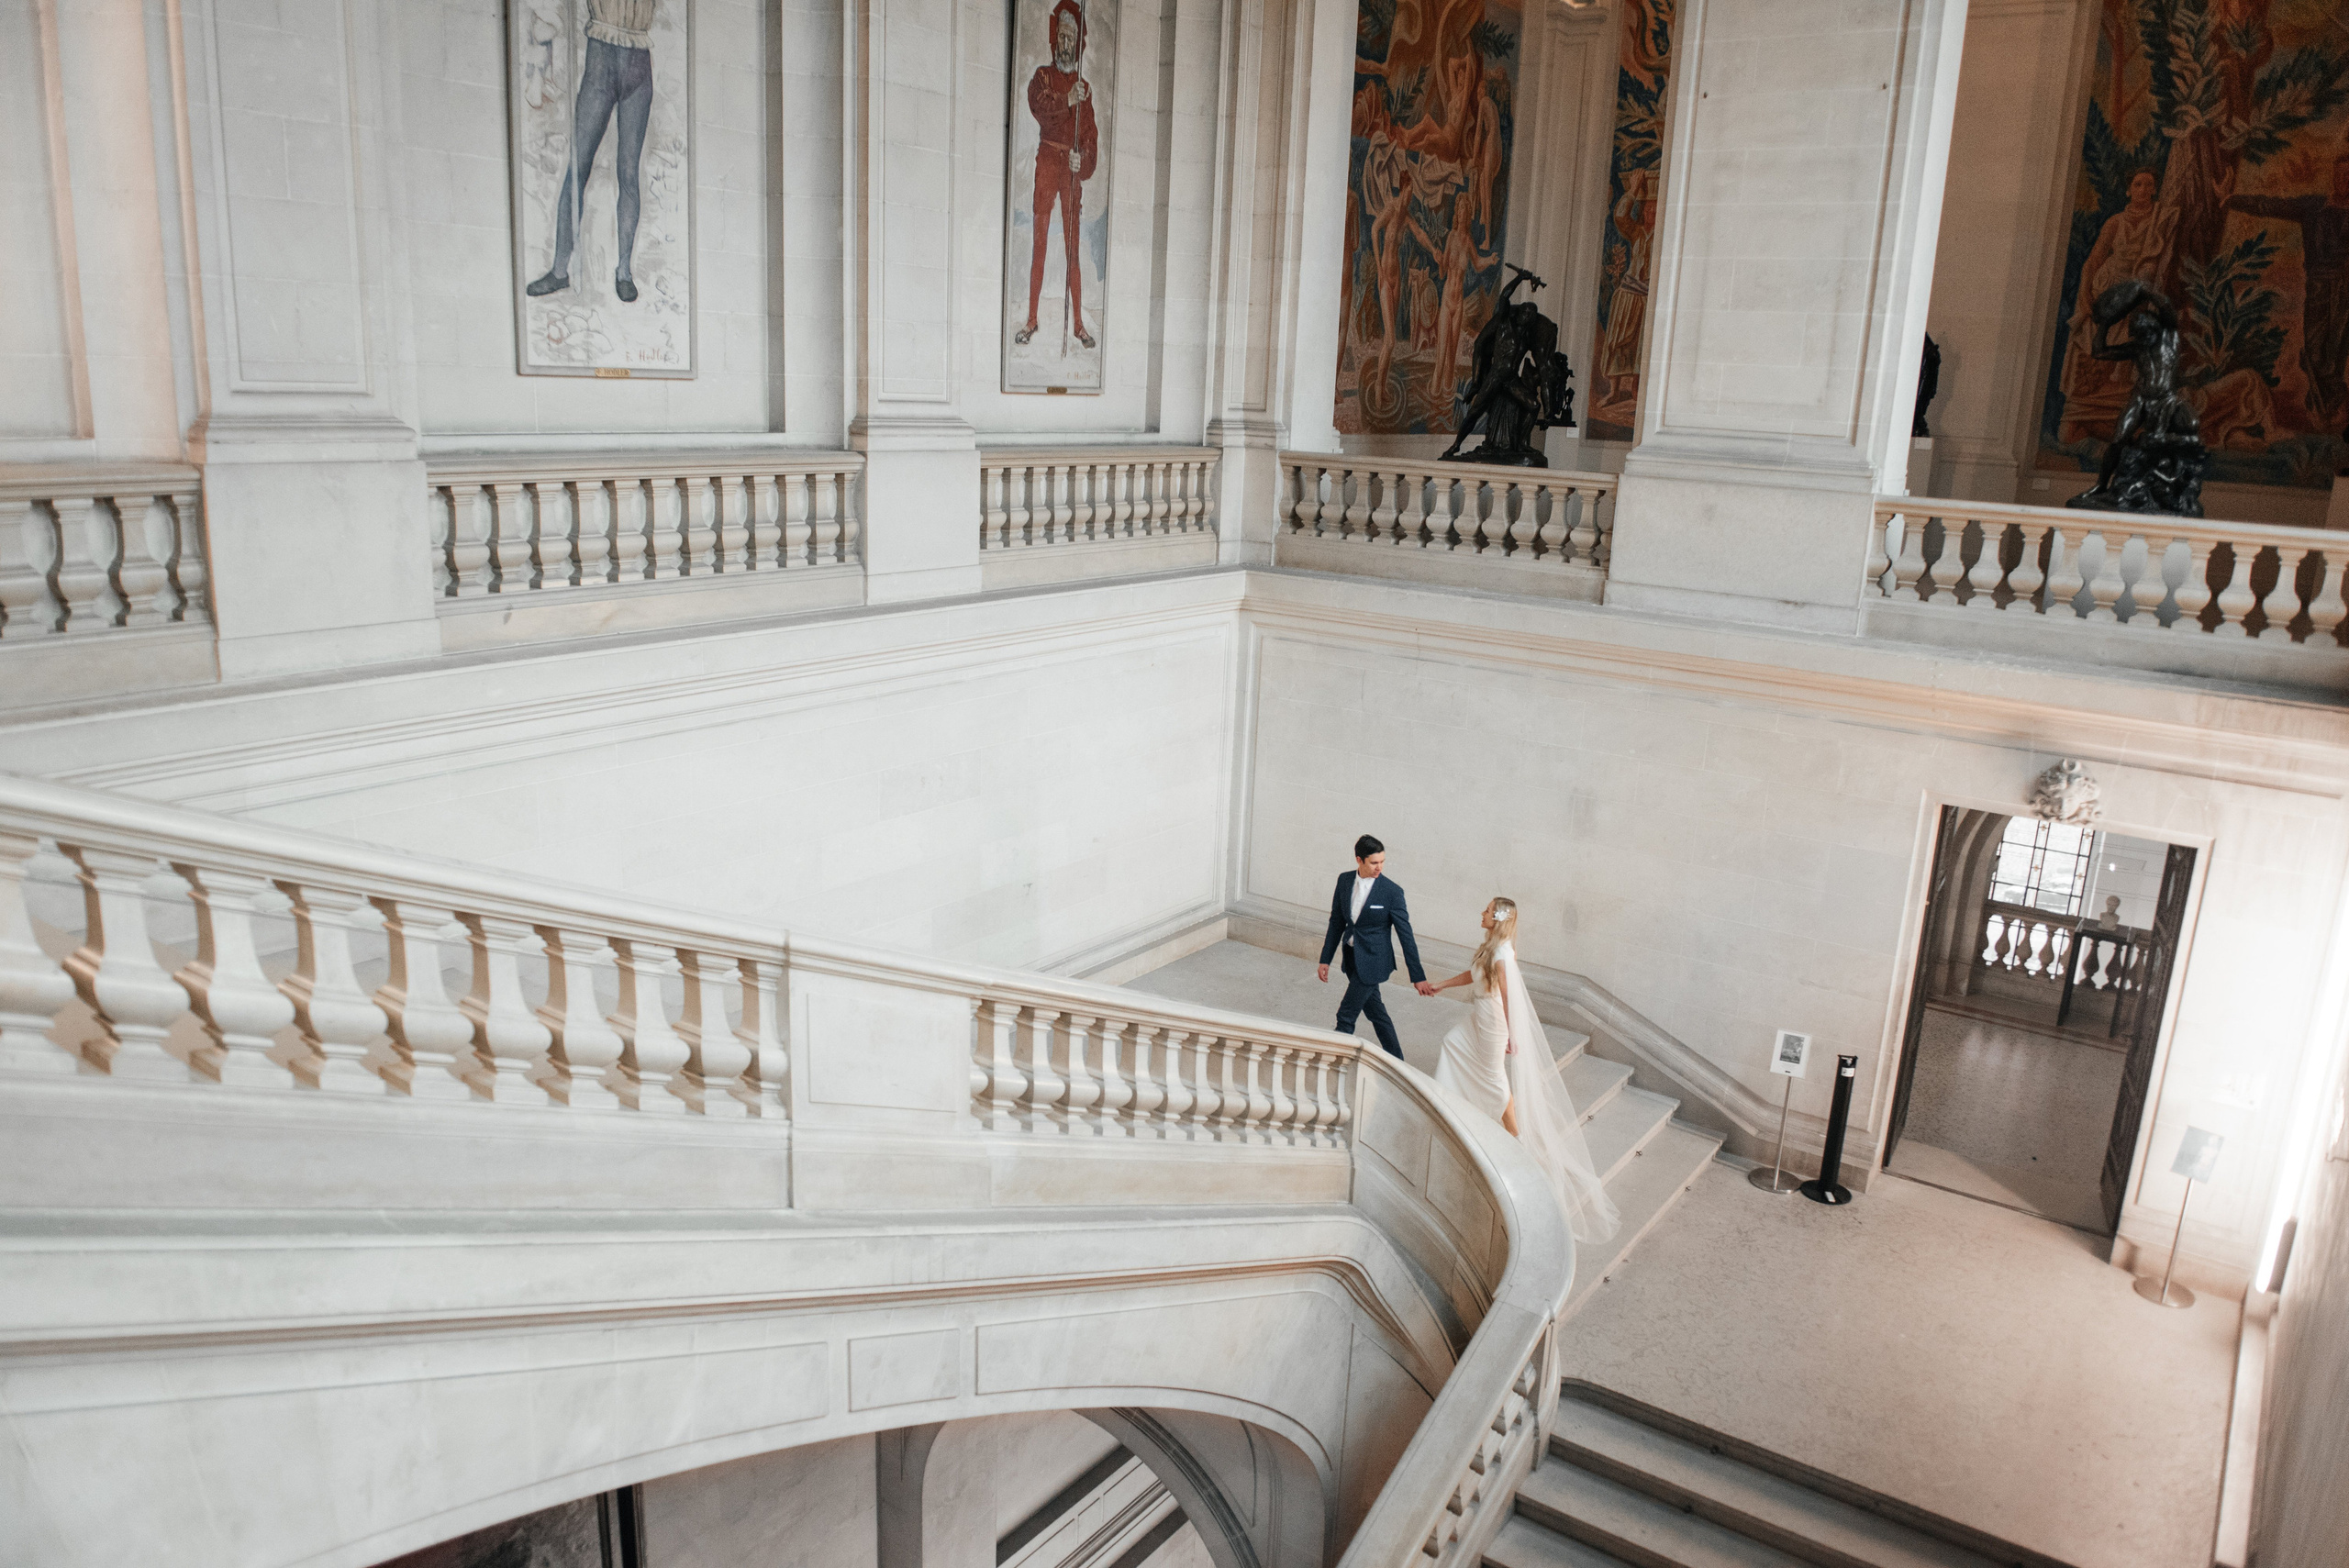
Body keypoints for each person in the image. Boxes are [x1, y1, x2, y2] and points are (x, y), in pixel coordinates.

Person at [1426, 897, 1620, 1244]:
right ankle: (1453, 1101)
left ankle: (1517, 1140)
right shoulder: (1491, 946)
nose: (1481, 913)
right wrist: (1440, 985)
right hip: (1478, 1017)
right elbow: (1472, 977)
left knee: (1494, 1080)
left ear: (1498, 918)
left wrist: (1514, 1035)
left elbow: (1508, 996)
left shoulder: (1502, 955)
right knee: (1452, 1043)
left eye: (1486, 910)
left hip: (1493, 1024)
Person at [528, 0, 661, 305]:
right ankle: (560, 270)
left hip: (638, 67)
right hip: (601, 62)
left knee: (628, 173)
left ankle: (624, 272)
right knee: (578, 169)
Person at [2228, 157, 2349, 427]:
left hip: (2346, 287)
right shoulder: (2314, 206)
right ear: (2334, 176)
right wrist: (2232, 199)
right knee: (2315, 348)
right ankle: (2329, 398)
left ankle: (2332, 405)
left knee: (2338, 347)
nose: (2346, 181)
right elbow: (2272, 205)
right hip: (2319, 285)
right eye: (2342, 175)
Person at [1015, 0, 1100, 350]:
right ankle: (1032, 319)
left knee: (1073, 250)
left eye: (1072, 38)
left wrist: (1085, 161)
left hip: (1070, 172)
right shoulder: (1043, 77)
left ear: (1078, 44)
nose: (1066, 43)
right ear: (1055, 40)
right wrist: (1068, 99)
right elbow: (1041, 107)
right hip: (1048, 162)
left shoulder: (1085, 88)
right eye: (1062, 36)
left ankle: (1078, 323)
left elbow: (1090, 135)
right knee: (1039, 241)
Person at [1317, 835, 1432, 1059]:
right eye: (1374, 863)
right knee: (1376, 1014)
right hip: (1351, 959)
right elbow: (1336, 922)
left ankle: (1334, 1065)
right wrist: (1325, 959)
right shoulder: (1344, 880)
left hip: (1374, 961)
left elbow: (1405, 935)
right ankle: (1399, 1062)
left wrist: (1417, 975)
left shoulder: (1392, 892)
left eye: (1382, 862)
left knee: (1346, 1016)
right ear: (1359, 860)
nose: (1380, 867)